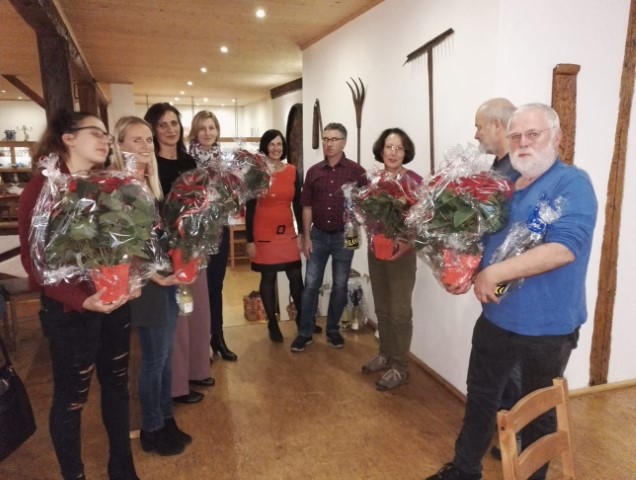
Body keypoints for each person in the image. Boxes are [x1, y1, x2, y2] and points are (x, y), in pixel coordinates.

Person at [426, 103, 597, 480]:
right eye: (516, 136)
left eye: (533, 134)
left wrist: (496, 272)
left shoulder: (572, 183)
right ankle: (464, 469)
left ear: (557, 137)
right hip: (496, 317)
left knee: (537, 413)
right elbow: (481, 240)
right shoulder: (502, 186)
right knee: (481, 397)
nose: (523, 143)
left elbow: (564, 248)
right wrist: (457, 264)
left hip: (547, 328)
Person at [18, 110, 139, 479]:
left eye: (107, 135)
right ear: (67, 138)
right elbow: (35, 261)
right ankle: (74, 474)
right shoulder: (41, 190)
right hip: (72, 312)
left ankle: (123, 468)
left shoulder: (107, 184)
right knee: (71, 400)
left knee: (117, 388)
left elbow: (123, 242)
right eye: (96, 133)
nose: (105, 140)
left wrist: (133, 275)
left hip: (114, 303)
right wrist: (81, 299)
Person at [111, 116, 192, 456]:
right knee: (154, 359)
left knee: (164, 356)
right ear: (120, 146)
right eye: (136, 140)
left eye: (147, 140)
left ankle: (166, 418)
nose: (145, 146)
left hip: (164, 278)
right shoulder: (120, 186)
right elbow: (120, 242)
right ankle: (151, 428)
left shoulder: (149, 183)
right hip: (146, 284)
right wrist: (152, 273)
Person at [144, 103, 213, 405]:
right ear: (153, 129)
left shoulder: (188, 161)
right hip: (166, 251)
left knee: (198, 311)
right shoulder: (150, 166)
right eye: (163, 124)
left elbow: (201, 201)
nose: (170, 129)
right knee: (177, 318)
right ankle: (176, 386)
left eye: (174, 123)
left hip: (193, 246)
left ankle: (197, 369)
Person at [474, 97, 522, 458]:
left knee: (514, 361)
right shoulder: (498, 167)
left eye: (479, 126)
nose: (476, 134)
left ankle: (518, 437)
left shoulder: (518, 171)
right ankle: (506, 428)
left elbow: (520, 236)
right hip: (495, 279)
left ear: (496, 125)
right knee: (500, 360)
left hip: (513, 282)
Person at [290, 122, 366, 352]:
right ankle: (305, 332)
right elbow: (306, 207)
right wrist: (306, 237)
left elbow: (366, 204)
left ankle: (333, 330)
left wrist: (357, 227)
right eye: (325, 139)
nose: (328, 144)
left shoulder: (356, 172)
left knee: (340, 285)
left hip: (346, 236)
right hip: (318, 236)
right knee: (311, 285)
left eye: (334, 139)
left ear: (344, 142)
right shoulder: (313, 171)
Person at [361, 128, 423, 390]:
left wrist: (407, 241)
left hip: (402, 255)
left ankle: (400, 367)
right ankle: (385, 354)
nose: (393, 153)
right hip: (376, 251)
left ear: (406, 152)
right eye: (389, 147)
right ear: (381, 150)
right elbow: (364, 213)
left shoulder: (414, 181)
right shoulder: (373, 180)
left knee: (399, 312)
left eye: (399, 148)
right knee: (382, 308)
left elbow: (424, 220)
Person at [186, 110, 238, 361]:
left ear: (217, 131)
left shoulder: (226, 161)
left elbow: (233, 195)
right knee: (197, 288)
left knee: (216, 286)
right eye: (202, 128)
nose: (207, 133)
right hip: (194, 232)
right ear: (195, 132)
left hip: (219, 229)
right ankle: (199, 341)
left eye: (212, 127)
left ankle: (218, 336)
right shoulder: (186, 160)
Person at [245, 129, 303, 342]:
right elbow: (250, 208)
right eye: (272, 144)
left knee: (296, 276)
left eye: (279, 144)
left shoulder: (293, 171)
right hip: (264, 233)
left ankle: (302, 319)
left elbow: (298, 204)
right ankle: (272, 322)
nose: (276, 148)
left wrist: (301, 233)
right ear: (265, 147)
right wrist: (250, 240)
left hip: (287, 232)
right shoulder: (257, 172)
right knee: (268, 277)